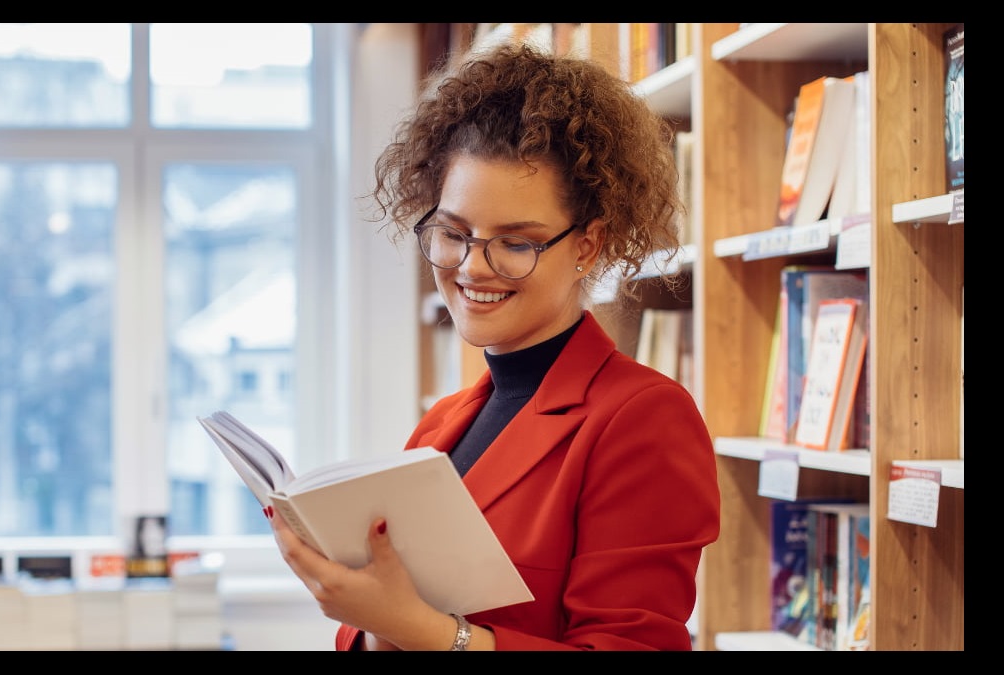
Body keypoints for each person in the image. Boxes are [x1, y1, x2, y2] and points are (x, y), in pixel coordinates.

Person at [268, 41, 721, 651]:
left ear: (586, 247)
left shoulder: (642, 419)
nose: (472, 267)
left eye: (516, 242)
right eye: (453, 233)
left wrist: (420, 629)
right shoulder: (441, 425)